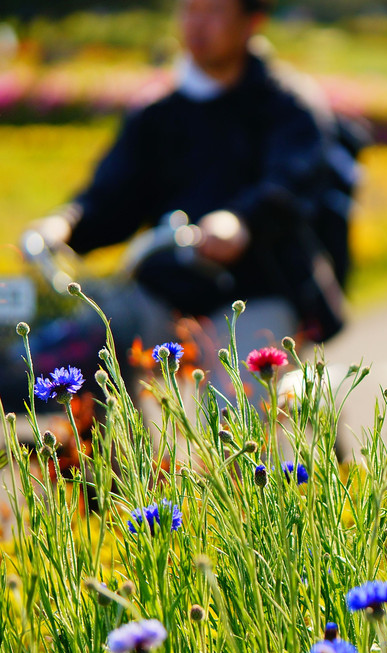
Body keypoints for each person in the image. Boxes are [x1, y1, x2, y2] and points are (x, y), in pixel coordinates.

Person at [8, 0, 357, 406]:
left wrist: (240, 222)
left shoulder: (287, 105)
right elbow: (114, 196)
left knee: (234, 408)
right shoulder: (158, 113)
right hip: (167, 291)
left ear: (251, 22)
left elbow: (291, 185)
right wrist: (66, 223)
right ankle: (117, 468)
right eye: (190, 10)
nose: (197, 24)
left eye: (214, 12)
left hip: (258, 290)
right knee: (81, 359)